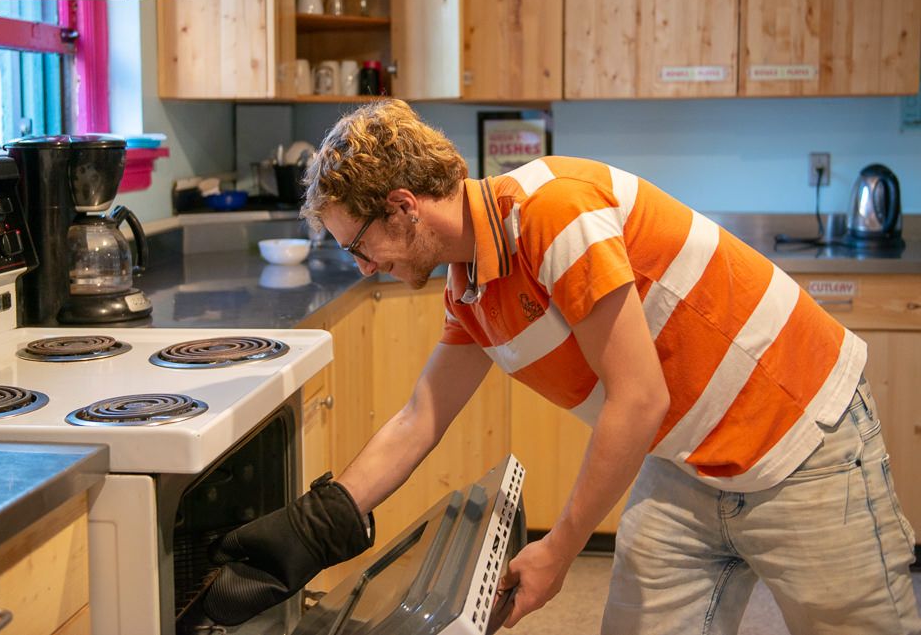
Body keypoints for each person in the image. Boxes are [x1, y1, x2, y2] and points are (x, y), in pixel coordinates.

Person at [201, 99, 921, 634]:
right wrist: (312, 527)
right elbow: (420, 416)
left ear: (402, 207)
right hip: (686, 458)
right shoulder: (470, 287)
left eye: (360, 245)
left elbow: (638, 399)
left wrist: (562, 545)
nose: (366, 267)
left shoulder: (551, 214)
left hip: (798, 435)